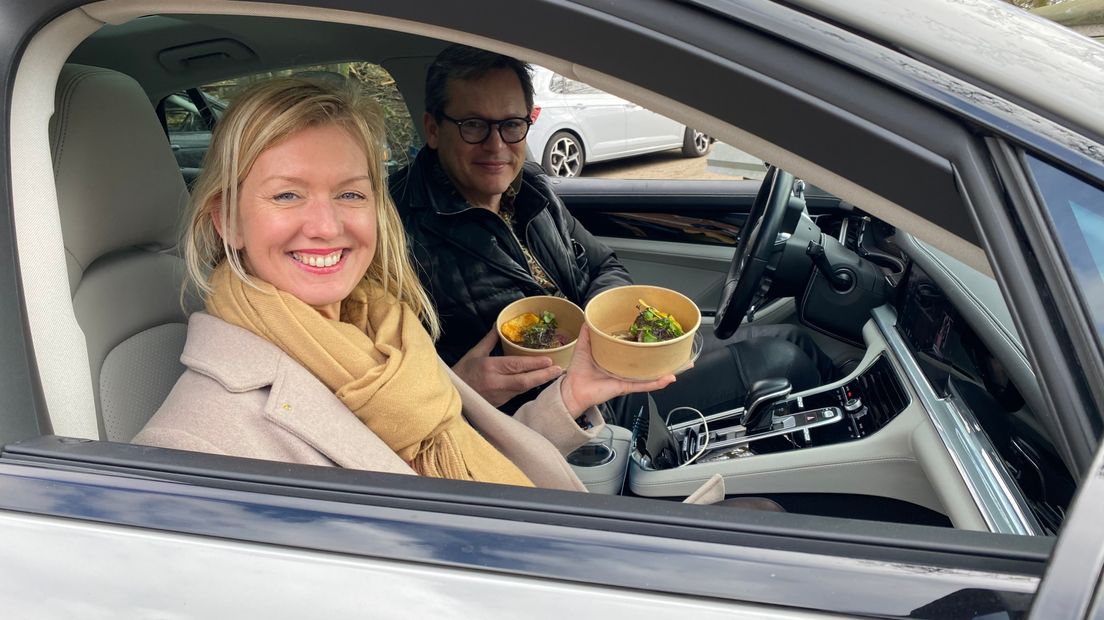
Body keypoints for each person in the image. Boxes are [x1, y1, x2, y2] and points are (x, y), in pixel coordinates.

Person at [132, 77, 675, 491]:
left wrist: (572, 393)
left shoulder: (386, 327)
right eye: (287, 195)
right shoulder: (189, 449)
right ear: (226, 220)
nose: (327, 226)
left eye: (350, 194)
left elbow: (471, 463)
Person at [390, 45, 834, 423]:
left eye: (511, 124)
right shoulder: (393, 228)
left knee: (795, 341)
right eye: (473, 125)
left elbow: (605, 264)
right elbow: (384, 381)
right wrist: (458, 390)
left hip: (611, 363)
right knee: (788, 360)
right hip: (563, 411)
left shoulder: (530, 187)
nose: (496, 145)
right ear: (433, 129)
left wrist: (606, 331)